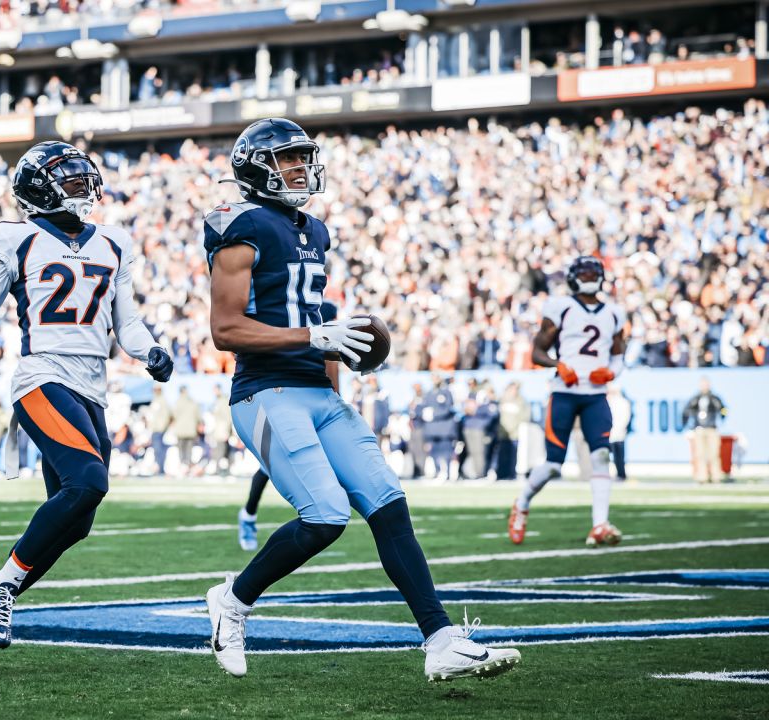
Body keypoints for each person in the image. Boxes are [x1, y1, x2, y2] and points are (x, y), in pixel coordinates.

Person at [201, 118, 518, 682]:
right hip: (265, 394)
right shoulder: (240, 224)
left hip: (317, 393)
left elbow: (321, 320)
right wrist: (311, 338)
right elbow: (225, 329)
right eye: (287, 159)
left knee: (388, 503)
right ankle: (232, 600)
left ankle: (441, 639)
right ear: (255, 167)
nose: (300, 168)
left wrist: (335, 377)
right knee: (324, 517)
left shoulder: (314, 230)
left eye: (303, 157)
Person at [0, 141, 173, 675]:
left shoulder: (114, 242)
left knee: (78, 520)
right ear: (39, 189)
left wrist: (149, 349)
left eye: (84, 177)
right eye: (69, 178)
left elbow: (126, 322)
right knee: (88, 482)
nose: (82, 187)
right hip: (41, 376)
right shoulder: (15, 240)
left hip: (90, 387)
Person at [509, 256, 626, 547]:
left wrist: (611, 371)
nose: (588, 276)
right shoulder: (560, 307)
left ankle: (600, 524)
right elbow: (537, 352)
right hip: (565, 392)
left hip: (595, 395)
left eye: (592, 272)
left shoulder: (614, 312)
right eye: (583, 272)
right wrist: (558, 365)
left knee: (601, 456)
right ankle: (522, 502)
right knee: (553, 464)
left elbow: (619, 355)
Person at [682, 378, 727, 484]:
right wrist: (689, 425)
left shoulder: (715, 398)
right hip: (699, 428)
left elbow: (724, 409)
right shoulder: (696, 398)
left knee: (714, 453)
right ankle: (702, 477)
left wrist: (722, 418)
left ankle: (716, 476)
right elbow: (686, 411)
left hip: (712, 428)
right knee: (700, 454)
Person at [494, 382, 525, 481]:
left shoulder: (521, 401)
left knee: (513, 455)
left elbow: (525, 416)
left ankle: (511, 475)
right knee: (502, 454)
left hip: (515, 434)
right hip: (503, 433)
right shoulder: (502, 400)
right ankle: (501, 474)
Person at [606, 385, 631, 482]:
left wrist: (618, 428)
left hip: (615, 432)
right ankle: (619, 474)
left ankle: (620, 474)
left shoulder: (619, 402)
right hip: (616, 433)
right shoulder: (620, 402)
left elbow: (624, 418)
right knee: (617, 456)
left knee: (617, 456)